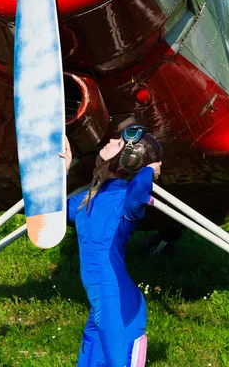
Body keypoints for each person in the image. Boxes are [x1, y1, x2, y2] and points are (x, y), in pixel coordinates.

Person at [60, 125, 162, 367]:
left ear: (131, 157)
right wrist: (63, 172)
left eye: (118, 142)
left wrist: (147, 170)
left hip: (118, 305)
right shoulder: (92, 196)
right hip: (101, 304)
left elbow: (139, 192)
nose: (110, 140)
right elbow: (56, 212)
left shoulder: (128, 202)